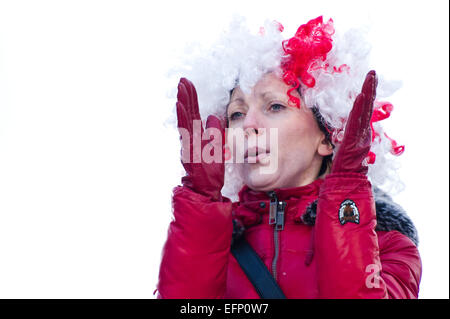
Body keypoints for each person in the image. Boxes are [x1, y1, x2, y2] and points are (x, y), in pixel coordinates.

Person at [156, 16, 422, 299]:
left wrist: (345, 190)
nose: (248, 125)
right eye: (236, 113)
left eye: (274, 106)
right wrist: (201, 205)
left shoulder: (389, 245)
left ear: (327, 136)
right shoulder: (209, 239)